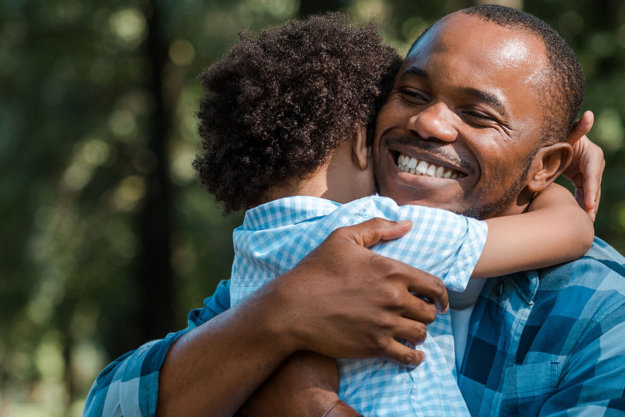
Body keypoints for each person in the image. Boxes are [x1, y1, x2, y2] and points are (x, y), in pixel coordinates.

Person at [82, 6, 613, 417]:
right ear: (365, 126)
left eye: (477, 114)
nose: (429, 124)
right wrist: (277, 317)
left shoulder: (599, 312)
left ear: (549, 161)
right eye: (410, 92)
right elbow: (110, 402)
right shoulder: (316, 265)